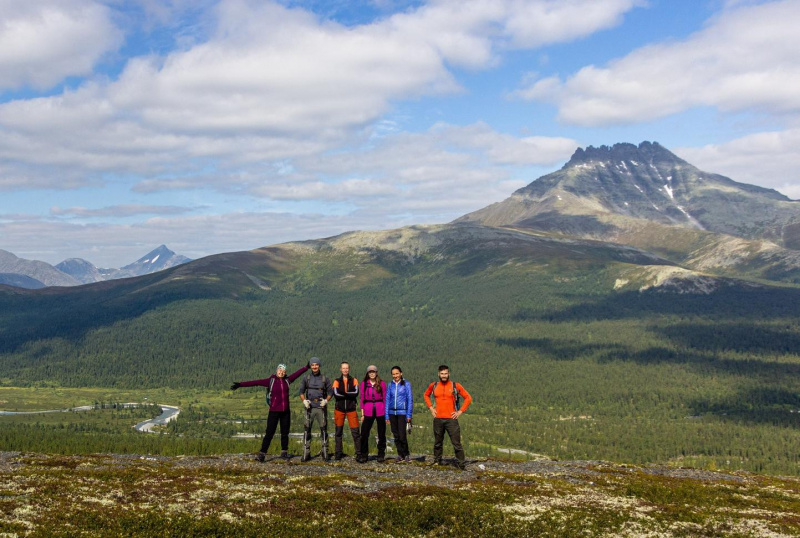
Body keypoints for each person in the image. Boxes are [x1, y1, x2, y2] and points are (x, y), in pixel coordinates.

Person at [230, 360, 310, 462]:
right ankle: (262, 454)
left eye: (283, 371)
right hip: (274, 411)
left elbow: (297, 373)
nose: (281, 372)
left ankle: (284, 452)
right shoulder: (270, 381)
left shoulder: (288, 380)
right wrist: (240, 384)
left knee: (285, 432)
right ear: (277, 370)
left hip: (286, 411)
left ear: (285, 372)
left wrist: (306, 367)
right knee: (269, 433)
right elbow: (256, 382)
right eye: (280, 370)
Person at [424, 365, 473, 470]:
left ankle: (461, 464)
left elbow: (468, 398)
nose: (444, 376)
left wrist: (460, 411)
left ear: (449, 374)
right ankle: (437, 461)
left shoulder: (455, 385)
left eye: (446, 373)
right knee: (438, 441)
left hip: (452, 419)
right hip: (438, 418)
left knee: (456, 443)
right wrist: (431, 408)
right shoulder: (434, 385)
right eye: (442, 374)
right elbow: (426, 395)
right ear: (438, 374)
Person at [298, 357, 333, 461]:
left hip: (321, 407)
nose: (314, 366)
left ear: (319, 365)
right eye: (312, 365)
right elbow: (301, 391)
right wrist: (304, 400)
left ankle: (325, 452)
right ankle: (306, 452)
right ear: (310, 366)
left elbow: (331, 392)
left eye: (316, 365)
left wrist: (326, 401)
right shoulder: (306, 378)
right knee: (307, 430)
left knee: (323, 430)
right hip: (309, 407)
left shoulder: (324, 378)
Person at [331, 361, 361, 461]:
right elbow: (336, 394)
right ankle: (338, 452)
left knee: (355, 432)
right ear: (340, 369)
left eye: (347, 368)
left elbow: (356, 393)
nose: (345, 370)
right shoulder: (336, 381)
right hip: (339, 409)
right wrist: (348, 394)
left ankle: (359, 453)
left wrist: (343, 393)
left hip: (351, 409)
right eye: (343, 368)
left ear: (349, 369)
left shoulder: (354, 380)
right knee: (338, 432)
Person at [385, 365, 413, 463]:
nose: (395, 375)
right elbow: (387, 399)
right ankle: (400, 454)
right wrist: (386, 415)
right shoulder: (390, 385)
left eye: (397, 373)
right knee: (396, 435)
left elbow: (410, 399)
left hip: (402, 412)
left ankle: (406, 454)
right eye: (393, 374)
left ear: (401, 373)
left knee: (402, 435)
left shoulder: (406, 384)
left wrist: (409, 414)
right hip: (392, 412)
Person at [359, 365, 387, 463]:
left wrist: (385, 412)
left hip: (380, 409)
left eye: (373, 372)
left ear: (376, 373)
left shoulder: (382, 383)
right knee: (364, 433)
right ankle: (364, 454)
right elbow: (362, 399)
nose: (372, 373)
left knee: (381, 433)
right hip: (368, 409)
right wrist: (362, 414)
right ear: (367, 373)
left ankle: (381, 454)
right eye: (370, 372)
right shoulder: (364, 384)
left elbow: (385, 398)